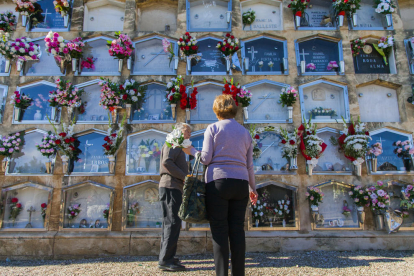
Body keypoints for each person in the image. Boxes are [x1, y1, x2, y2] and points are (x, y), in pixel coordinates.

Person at [183, 94, 257, 276]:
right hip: (241, 184)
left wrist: (191, 150)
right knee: (237, 230)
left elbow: (206, 158)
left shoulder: (213, 128)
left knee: (220, 231)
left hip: (218, 183)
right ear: (234, 109)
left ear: (216, 110)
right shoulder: (245, 133)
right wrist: (252, 189)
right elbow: (249, 165)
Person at [158, 123, 192, 272]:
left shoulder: (176, 142)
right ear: (179, 130)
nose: (189, 134)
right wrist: (184, 177)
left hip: (172, 186)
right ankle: (166, 260)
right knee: (172, 223)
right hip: (171, 186)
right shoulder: (174, 140)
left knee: (170, 223)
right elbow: (167, 162)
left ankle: (167, 256)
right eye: (187, 130)